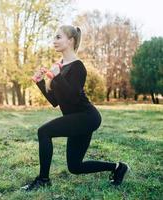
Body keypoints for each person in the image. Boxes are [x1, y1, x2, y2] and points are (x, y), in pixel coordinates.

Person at [21, 25, 130, 191]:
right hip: (77, 118)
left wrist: (57, 75)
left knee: (44, 131)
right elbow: (55, 101)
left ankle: (43, 180)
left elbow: (72, 96)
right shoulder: (61, 66)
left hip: (87, 117)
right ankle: (118, 167)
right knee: (75, 167)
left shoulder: (78, 67)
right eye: (54, 38)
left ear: (70, 40)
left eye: (58, 37)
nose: (54, 41)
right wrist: (40, 82)